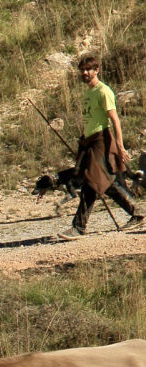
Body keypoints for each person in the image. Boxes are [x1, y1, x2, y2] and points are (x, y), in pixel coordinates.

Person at [62, 54, 144, 238]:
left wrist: (120, 147)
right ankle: (138, 213)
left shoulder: (103, 91)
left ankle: (78, 227)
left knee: (91, 181)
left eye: (88, 69)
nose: (85, 72)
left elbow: (115, 120)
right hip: (89, 141)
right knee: (105, 182)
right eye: (82, 70)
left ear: (96, 70)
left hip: (101, 140)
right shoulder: (88, 93)